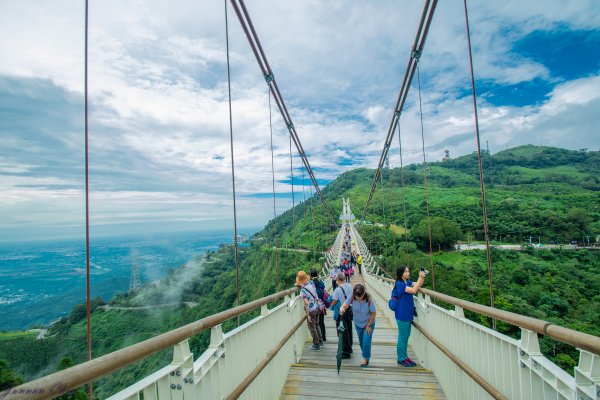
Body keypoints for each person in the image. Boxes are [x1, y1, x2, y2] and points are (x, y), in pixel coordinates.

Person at [394, 266, 426, 367]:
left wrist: (422, 277)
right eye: (406, 271)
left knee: (406, 336)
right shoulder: (399, 284)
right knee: (403, 337)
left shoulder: (406, 282)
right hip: (402, 315)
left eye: (408, 271)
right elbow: (413, 291)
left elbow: (417, 285)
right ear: (401, 274)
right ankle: (401, 358)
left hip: (407, 314)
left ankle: (405, 356)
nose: (408, 273)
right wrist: (420, 277)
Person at [340, 284, 376, 368]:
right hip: (358, 324)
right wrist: (342, 309)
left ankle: (365, 360)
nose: (359, 298)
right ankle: (366, 355)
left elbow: (374, 313)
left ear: (364, 293)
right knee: (361, 343)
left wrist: (369, 325)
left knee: (366, 341)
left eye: (361, 296)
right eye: (357, 296)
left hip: (368, 323)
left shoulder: (369, 300)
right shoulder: (352, 297)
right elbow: (345, 305)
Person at [296, 270, 323, 350]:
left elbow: (306, 303)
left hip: (311, 310)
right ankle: (320, 341)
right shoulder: (311, 283)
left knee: (312, 327)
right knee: (317, 325)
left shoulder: (303, 291)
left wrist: (308, 315)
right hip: (318, 307)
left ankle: (316, 344)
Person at [330, 272, 353, 359]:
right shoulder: (350, 286)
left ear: (337, 280)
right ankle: (349, 348)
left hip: (341, 312)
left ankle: (346, 352)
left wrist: (331, 306)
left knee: (342, 332)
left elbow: (334, 301)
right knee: (349, 329)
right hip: (349, 310)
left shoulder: (337, 290)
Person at [310, 268, 327, 343]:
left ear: (310, 275)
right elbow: (323, 287)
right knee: (321, 322)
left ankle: (318, 339)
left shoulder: (311, 283)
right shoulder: (320, 281)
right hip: (322, 305)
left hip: (315, 306)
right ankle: (323, 337)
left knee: (316, 323)